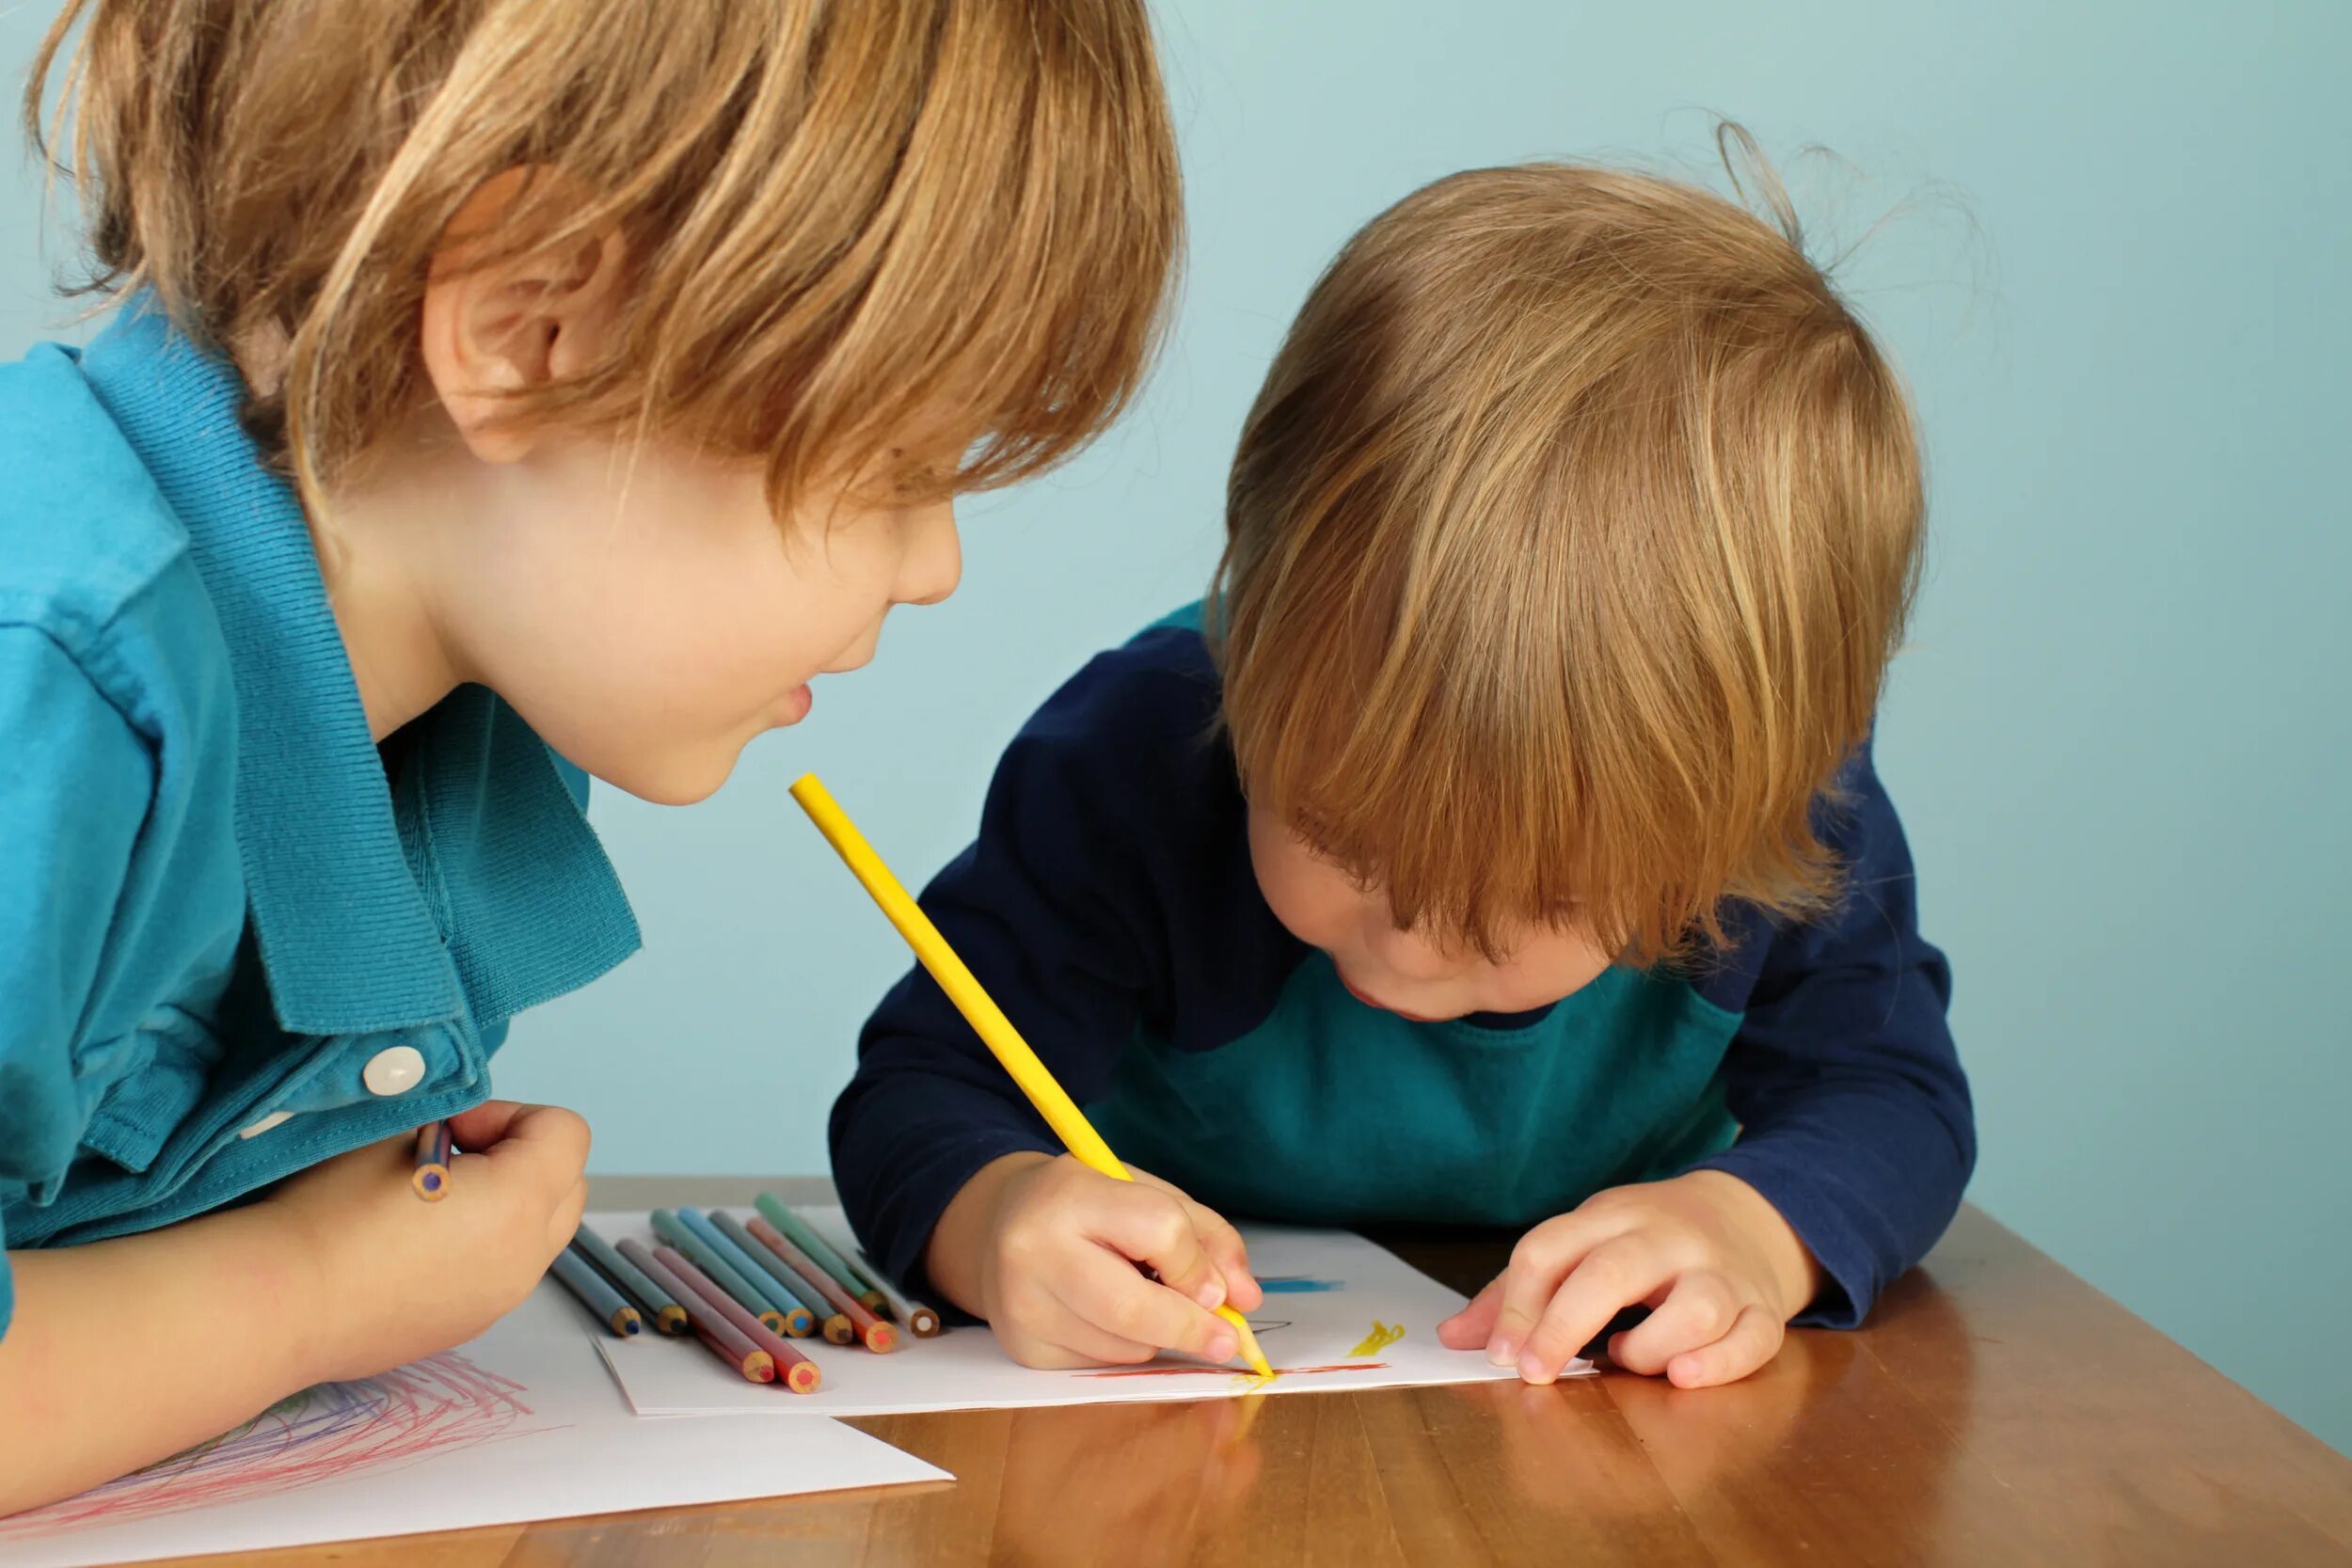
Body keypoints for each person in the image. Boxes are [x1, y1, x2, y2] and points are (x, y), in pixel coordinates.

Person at [0, 0, 1178, 1513]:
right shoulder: (56, 676)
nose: (934, 564)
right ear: (524, 328)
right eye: (893, 466)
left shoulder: (470, 698)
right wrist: (305, 1290)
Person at [831, 139, 1972, 1391]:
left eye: (1534, 896)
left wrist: (1753, 1234)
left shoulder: (1788, 813)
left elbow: (1891, 1095)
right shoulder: (1133, 759)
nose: (1414, 949)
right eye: (1344, 836)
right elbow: (921, 1087)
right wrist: (997, 1221)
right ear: (1250, 638)